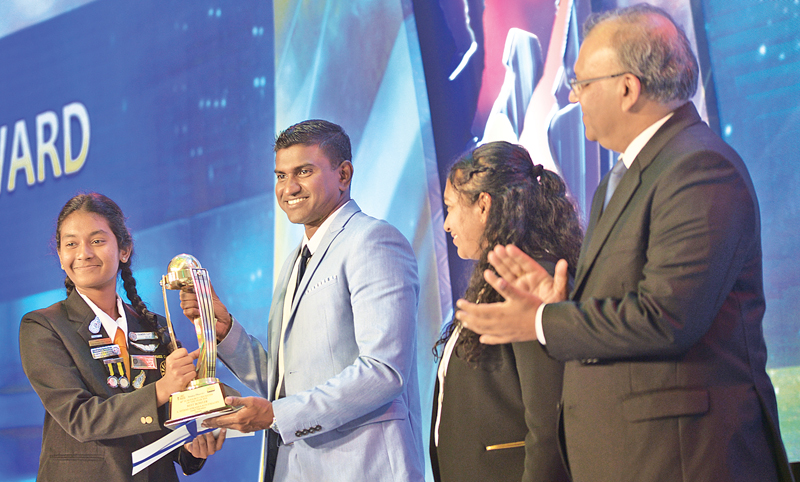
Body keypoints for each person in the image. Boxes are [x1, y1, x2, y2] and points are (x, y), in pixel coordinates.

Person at [454, 5, 794, 482]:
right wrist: (564, 301)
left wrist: (543, 320)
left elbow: (668, 317)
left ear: (628, 88)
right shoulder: (622, 177)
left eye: (582, 84)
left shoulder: (697, 169)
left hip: (681, 460)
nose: (573, 98)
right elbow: (627, 305)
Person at [180, 119, 425, 481]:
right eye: (280, 175)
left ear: (344, 175)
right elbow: (289, 382)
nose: (288, 187)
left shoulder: (372, 241)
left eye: (303, 171)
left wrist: (277, 415)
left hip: (363, 469)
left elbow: (384, 371)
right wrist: (227, 333)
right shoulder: (294, 262)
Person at [19, 193, 224, 482]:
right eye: (71, 244)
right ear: (61, 256)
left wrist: (193, 443)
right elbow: (79, 418)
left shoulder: (155, 327)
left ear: (124, 250)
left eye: (98, 241)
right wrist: (162, 388)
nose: (84, 253)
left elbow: (167, 420)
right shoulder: (43, 326)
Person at [432, 141, 577, 482]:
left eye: (451, 208)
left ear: (483, 205)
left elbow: (547, 419)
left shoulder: (528, 280)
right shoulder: (493, 281)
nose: (446, 224)